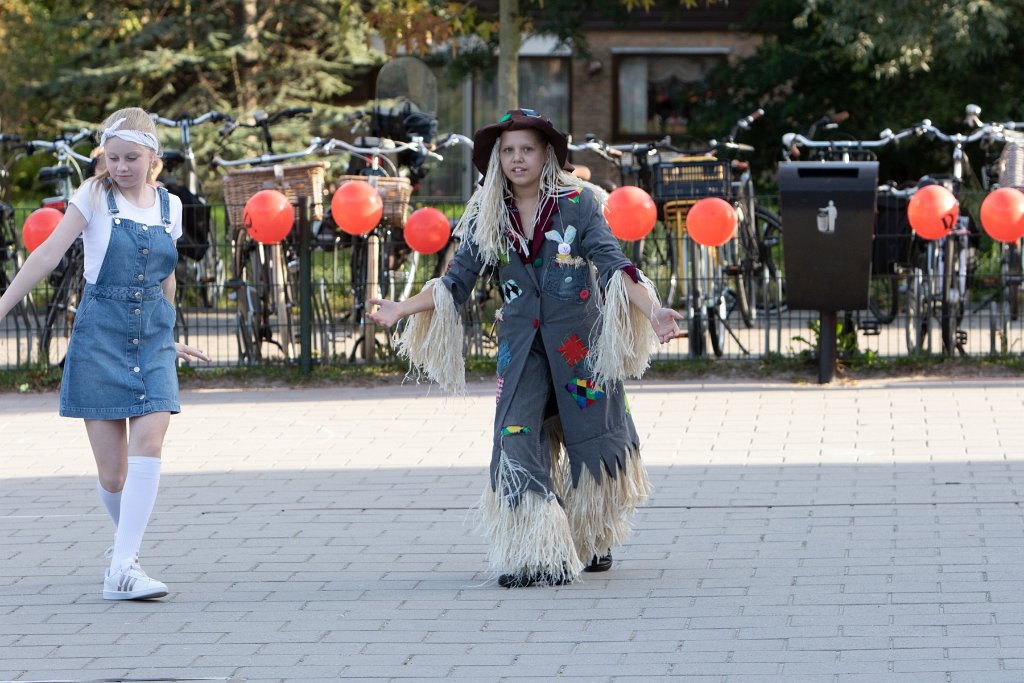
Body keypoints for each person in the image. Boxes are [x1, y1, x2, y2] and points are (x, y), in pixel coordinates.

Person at [368, 109, 682, 588]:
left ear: (546, 154)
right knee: (515, 436)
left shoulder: (578, 203)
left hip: (579, 346)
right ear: (498, 159)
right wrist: (401, 309)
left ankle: (592, 535)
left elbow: (613, 262)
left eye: (527, 149)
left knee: (593, 438)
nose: (517, 159)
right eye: (508, 150)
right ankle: (536, 551)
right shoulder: (488, 208)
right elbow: (456, 281)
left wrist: (651, 310)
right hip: (522, 347)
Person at [0, 107, 210, 601]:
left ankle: (122, 568)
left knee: (151, 442)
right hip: (99, 335)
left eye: (130, 158)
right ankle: (126, 560)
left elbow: (167, 275)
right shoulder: (92, 196)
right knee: (114, 475)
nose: (120, 167)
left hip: (154, 337)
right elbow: (47, 253)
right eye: (112, 157)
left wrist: (169, 332)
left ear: (152, 158)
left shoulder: (169, 207)